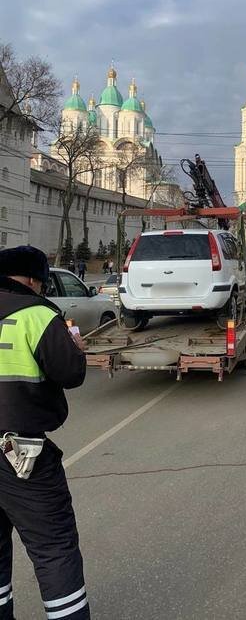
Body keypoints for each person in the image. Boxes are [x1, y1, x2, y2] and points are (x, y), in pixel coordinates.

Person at [0, 246, 90, 620]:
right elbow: (71, 373)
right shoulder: (37, 314)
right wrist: (77, 350)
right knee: (54, 548)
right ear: (35, 280)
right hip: (20, 457)